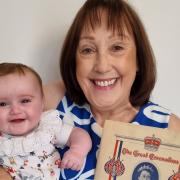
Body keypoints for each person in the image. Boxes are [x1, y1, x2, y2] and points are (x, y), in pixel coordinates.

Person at [1, 0, 180, 179]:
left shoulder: (168, 127)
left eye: (117, 47)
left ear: (139, 59)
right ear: (75, 62)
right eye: (87, 50)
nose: (102, 66)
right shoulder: (51, 101)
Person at [0, 63, 92, 180]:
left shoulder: (47, 128)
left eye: (25, 101)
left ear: (42, 102)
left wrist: (77, 152)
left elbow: (80, 135)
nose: (15, 110)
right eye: (2, 104)